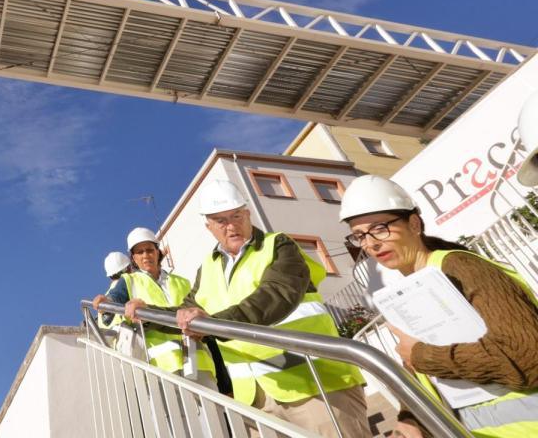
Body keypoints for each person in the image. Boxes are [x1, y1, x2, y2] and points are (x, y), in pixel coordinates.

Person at [134, 179, 368, 438]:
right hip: (256, 401)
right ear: (208, 226)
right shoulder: (209, 268)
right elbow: (187, 311)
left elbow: (276, 295)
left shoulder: (279, 245)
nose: (231, 225)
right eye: (221, 220)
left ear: (248, 213)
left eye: (237, 215)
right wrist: (146, 315)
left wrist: (212, 324)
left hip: (316, 386)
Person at [340, 174, 538, 438]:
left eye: (379, 228)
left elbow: (526, 357)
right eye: (359, 236)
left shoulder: (462, 268)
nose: (371, 243)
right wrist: (410, 418)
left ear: (413, 224)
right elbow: (427, 375)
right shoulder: (409, 291)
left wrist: (422, 356)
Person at [92, 227, 216, 385]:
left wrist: (223, 378)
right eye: (140, 252)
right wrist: (107, 302)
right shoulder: (129, 281)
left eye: (150, 250)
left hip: (199, 362)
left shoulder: (182, 282)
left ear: (158, 252)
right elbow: (114, 299)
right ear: (133, 259)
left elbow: (203, 318)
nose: (146, 255)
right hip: (161, 367)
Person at [99, 251, 131, 328]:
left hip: (110, 338)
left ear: (110, 276)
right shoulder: (130, 285)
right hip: (134, 334)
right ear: (128, 269)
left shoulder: (104, 298)